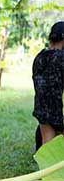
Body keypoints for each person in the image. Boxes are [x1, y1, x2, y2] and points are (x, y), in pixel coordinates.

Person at [32, 21, 64, 151]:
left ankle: (47, 171)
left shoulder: (39, 57)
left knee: (47, 146)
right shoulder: (62, 58)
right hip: (60, 109)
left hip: (42, 108)